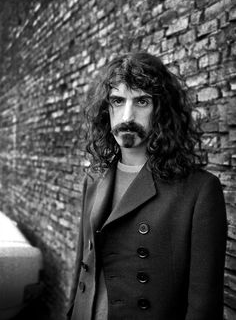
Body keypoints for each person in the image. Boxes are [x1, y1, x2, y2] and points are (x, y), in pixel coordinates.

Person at [68, 52, 227, 320]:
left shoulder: (200, 191)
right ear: (106, 109)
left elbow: (204, 306)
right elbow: (81, 268)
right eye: (117, 101)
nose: (127, 116)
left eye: (141, 101)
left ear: (161, 110)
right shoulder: (93, 180)